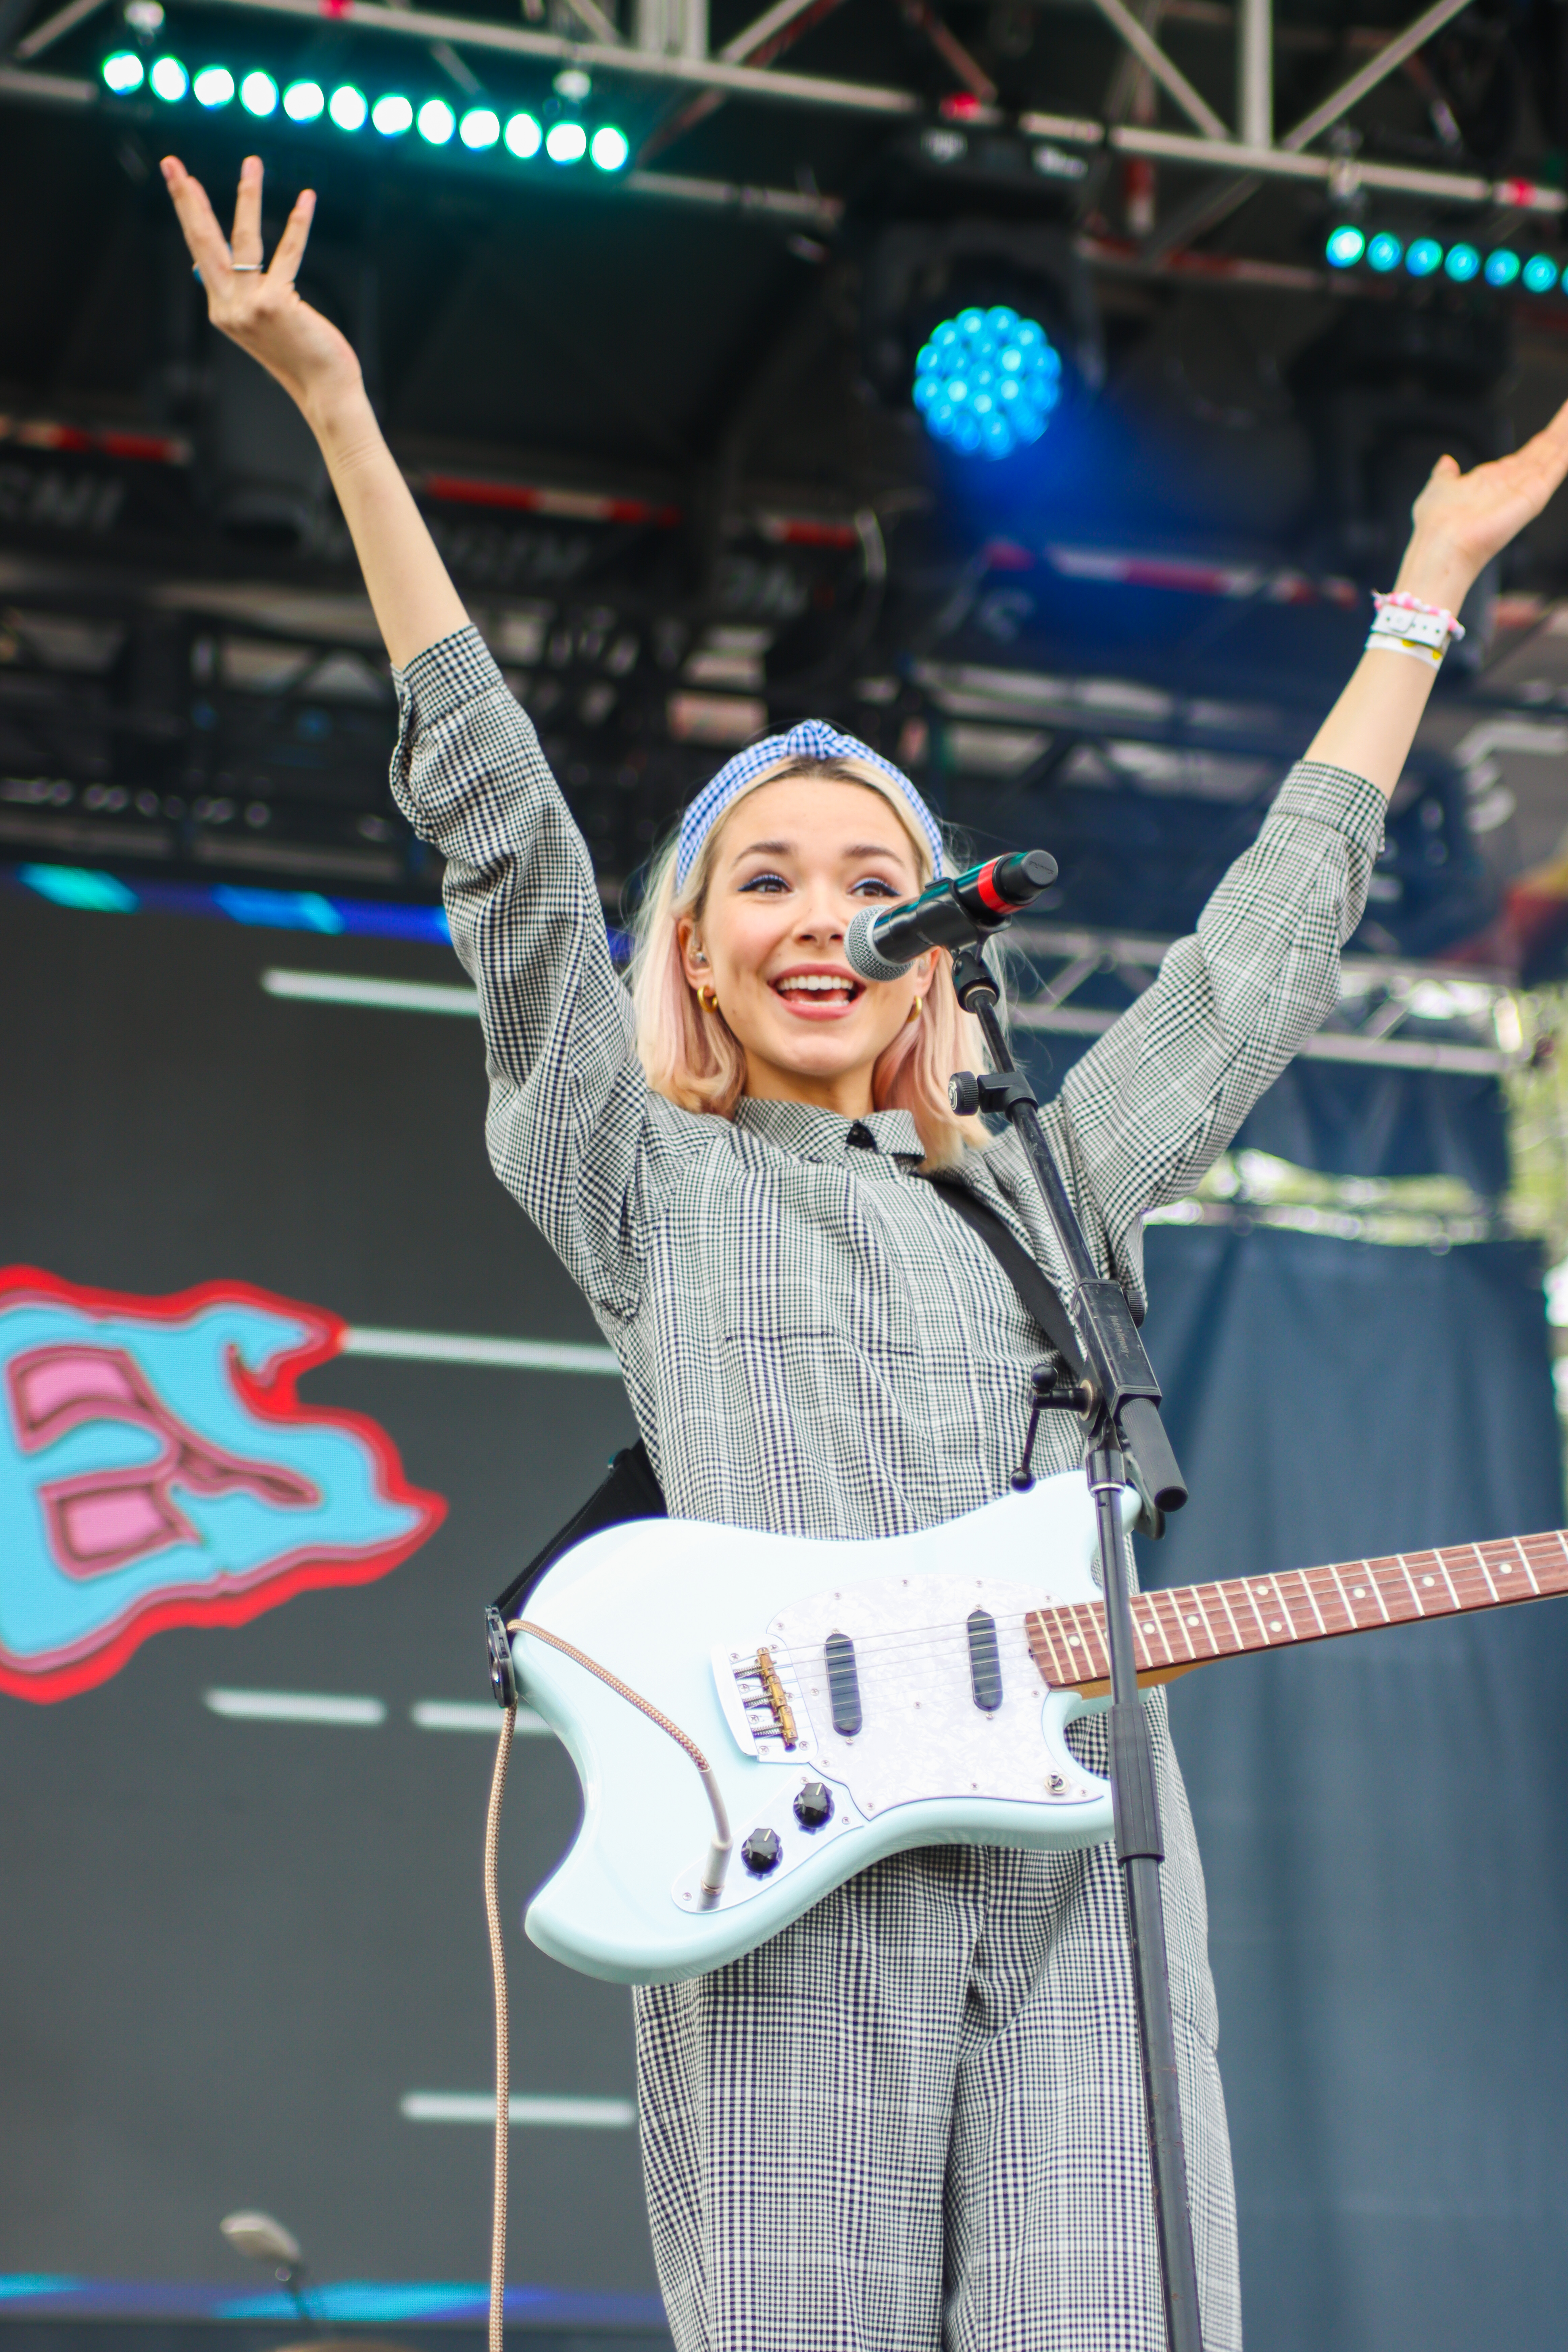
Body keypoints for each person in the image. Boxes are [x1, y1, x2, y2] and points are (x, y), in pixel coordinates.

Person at [161, 151, 1568, 2352]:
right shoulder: (647, 1176)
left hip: (1085, 1860)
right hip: (783, 1870)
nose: (827, 913)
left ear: (930, 961)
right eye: (769, 882)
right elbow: (510, 852)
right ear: (703, 965)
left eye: (867, 878)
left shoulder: (1039, 1186)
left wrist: (1423, 597)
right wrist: (343, 412)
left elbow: (1252, 974)